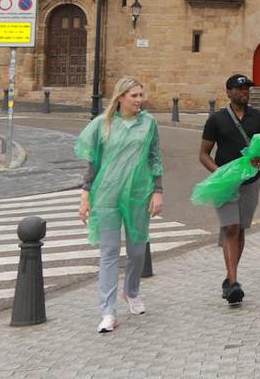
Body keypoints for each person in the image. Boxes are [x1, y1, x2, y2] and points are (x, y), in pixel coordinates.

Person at [76, 77, 163, 333]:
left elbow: (155, 157)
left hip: (138, 193)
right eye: (134, 95)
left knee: (137, 250)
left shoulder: (149, 123)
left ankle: (132, 291)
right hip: (107, 194)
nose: (139, 100)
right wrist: (85, 195)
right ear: (120, 98)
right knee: (109, 253)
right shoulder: (102, 125)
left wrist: (158, 191)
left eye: (140, 95)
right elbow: (92, 163)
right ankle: (108, 312)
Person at [200, 74, 260, 305]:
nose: (244, 91)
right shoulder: (217, 120)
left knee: (240, 230)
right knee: (231, 228)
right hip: (225, 185)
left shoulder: (259, 118)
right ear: (228, 92)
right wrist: (218, 174)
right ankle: (234, 283)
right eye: (239, 88)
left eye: (247, 88)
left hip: (250, 183)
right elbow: (203, 154)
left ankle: (229, 277)